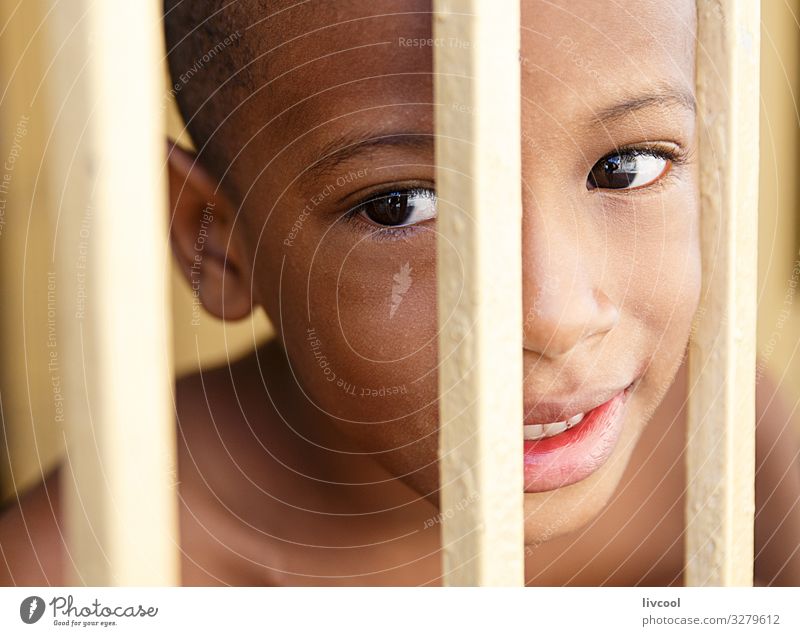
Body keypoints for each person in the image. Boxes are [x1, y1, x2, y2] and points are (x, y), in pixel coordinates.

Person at [2, 0, 799, 586]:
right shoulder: (100, 565)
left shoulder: (723, 433)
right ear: (215, 238)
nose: (554, 315)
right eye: (402, 206)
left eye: (626, 166)